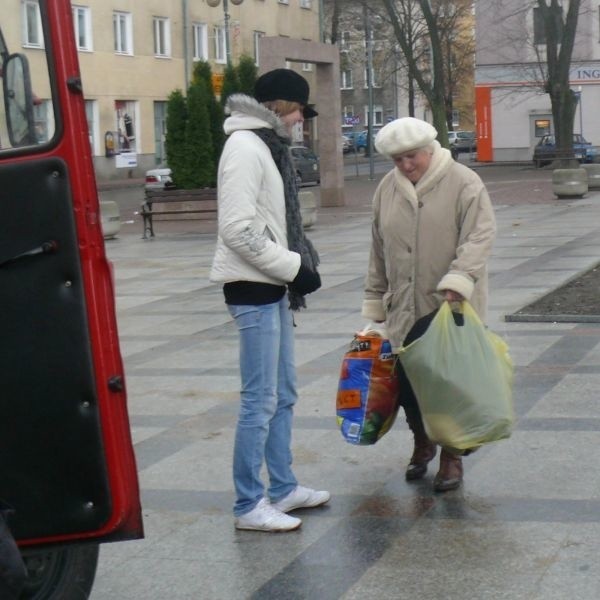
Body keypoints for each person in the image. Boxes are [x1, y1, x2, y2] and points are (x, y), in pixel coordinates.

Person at [210, 69, 330, 532]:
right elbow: (237, 229)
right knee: (259, 400)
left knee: (284, 394)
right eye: (300, 109)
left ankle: (282, 487)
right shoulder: (244, 147)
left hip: (271, 286)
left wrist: (289, 271)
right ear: (280, 106)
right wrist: (294, 267)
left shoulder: (264, 145)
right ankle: (248, 504)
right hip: (253, 286)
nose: (302, 119)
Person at [361, 117, 496, 492]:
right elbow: (378, 250)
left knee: (449, 385)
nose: (406, 165)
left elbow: (480, 235)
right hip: (402, 305)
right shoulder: (386, 189)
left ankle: (452, 457)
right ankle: (422, 443)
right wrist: (375, 299)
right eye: (398, 159)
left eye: (412, 156)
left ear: (429, 149)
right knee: (407, 385)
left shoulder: (463, 181)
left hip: (448, 304)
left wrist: (460, 278)